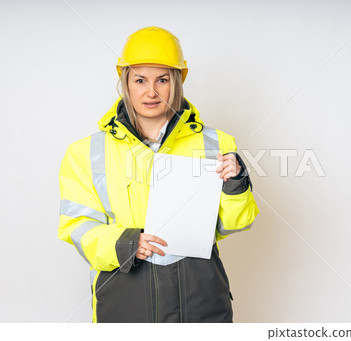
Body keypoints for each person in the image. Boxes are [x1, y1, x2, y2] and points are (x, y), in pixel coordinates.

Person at [58, 26, 259, 323]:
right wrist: (125, 243)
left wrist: (236, 185)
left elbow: (231, 224)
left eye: (162, 80)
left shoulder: (217, 144)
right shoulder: (85, 152)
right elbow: (77, 227)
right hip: (125, 304)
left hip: (201, 303)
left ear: (176, 82)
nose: (151, 92)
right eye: (140, 80)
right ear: (125, 82)